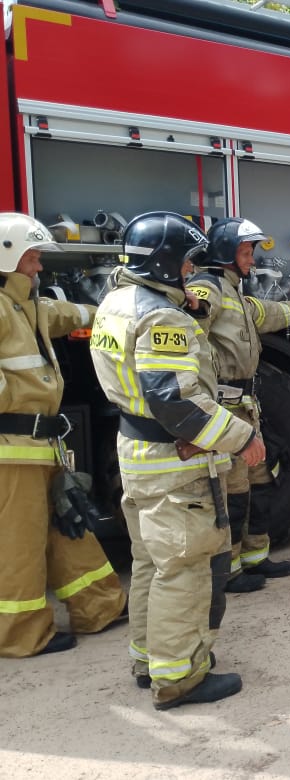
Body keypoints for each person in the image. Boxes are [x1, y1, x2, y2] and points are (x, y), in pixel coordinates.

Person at [89, 212, 263, 709]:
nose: (191, 273)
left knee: (150, 562)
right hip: (173, 461)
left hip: (137, 454)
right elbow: (177, 403)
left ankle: (147, 662)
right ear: (165, 262)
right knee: (184, 568)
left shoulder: (116, 303)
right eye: (187, 263)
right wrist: (240, 438)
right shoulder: (162, 318)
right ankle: (179, 678)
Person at [0, 213, 126, 658]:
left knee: (67, 526)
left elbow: (72, 313)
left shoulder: (27, 306)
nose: (38, 267)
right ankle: (20, 636)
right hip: (11, 452)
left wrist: (117, 308)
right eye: (32, 257)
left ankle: (100, 607)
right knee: (20, 544)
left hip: (41, 446)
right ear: (8, 255)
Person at [187, 218, 290, 592]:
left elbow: (266, 314)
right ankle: (229, 572)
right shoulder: (207, 289)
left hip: (246, 408)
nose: (251, 260)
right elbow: (193, 325)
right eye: (245, 252)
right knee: (233, 496)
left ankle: (256, 556)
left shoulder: (235, 291)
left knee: (261, 484)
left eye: (252, 252)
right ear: (225, 254)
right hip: (225, 412)